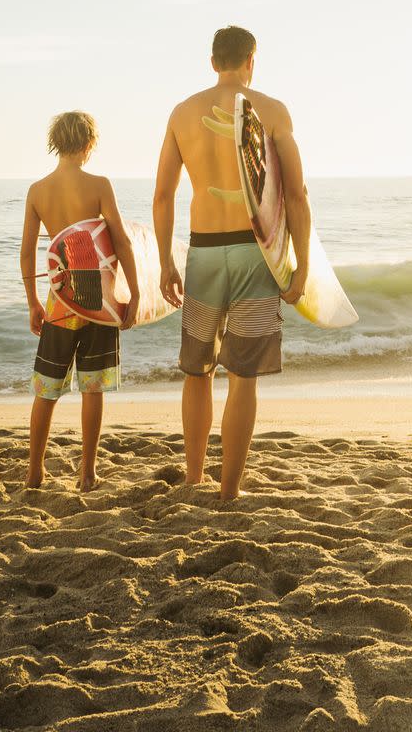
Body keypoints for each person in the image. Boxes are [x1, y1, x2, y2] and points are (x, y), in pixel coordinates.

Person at [154, 26, 310, 500]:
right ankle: (228, 492)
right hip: (254, 253)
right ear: (251, 61)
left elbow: (163, 196)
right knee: (243, 378)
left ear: (212, 61)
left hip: (202, 253)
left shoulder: (183, 113)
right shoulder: (273, 110)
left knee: (197, 371)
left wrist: (166, 261)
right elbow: (296, 195)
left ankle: (194, 476)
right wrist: (300, 270)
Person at [20, 110, 139, 491]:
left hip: (60, 301)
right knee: (93, 387)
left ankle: (34, 471)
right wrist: (134, 292)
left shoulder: (38, 190)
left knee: (47, 390)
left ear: (57, 142)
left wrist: (33, 302)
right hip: (97, 301)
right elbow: (121, 241)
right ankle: (87, 473)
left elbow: (26, 253)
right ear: (89, 145)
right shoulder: (100, 184)